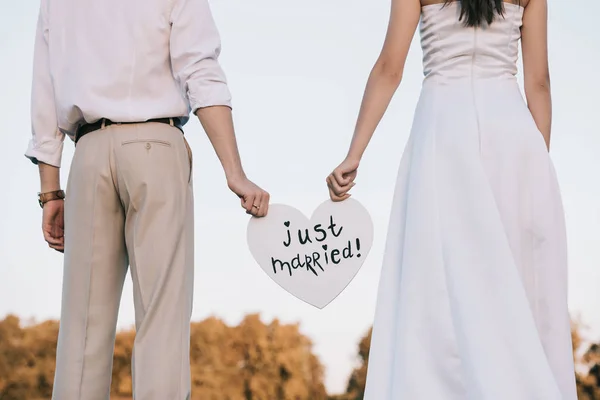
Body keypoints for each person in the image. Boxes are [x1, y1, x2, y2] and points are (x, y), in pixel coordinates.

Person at [326, 0, 577, 398]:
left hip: (444, 131)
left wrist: (353, 154)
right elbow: (539, 83)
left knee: (437, 283)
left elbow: (390, 67)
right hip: (513, 138)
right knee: (516, 287)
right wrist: (537, 167)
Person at [26, 0, 269, 398]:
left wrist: (50, 189)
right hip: (156, 143)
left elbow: (44, 92)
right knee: (162, 321)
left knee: (81, 332)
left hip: (88, 152)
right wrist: (234, 172)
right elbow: (200, 70)